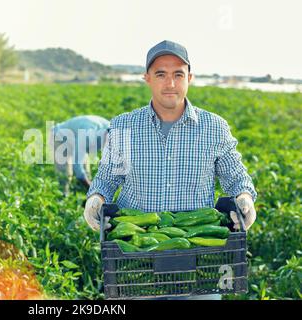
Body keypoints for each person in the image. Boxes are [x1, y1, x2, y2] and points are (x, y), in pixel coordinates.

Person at [83, 40, 258, 299]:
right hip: (136, 261)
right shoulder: (124, 125)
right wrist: (95, 198)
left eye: (178, 74)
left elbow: (235, 176)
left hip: (199, 262)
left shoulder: (214, 127)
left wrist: (244, 197)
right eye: (161, 74)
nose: (170, 83)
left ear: (190, 78)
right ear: (147, 78)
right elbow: (108, 178)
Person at [49, 115, 110, 195]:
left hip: (77, 139)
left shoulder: (110, 128)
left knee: (86, 173)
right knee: (65, 175)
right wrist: (91, 187)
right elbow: (77, 164)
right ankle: (63, 199)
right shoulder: (88, 133)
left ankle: (84, 198)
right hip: (60, 138)